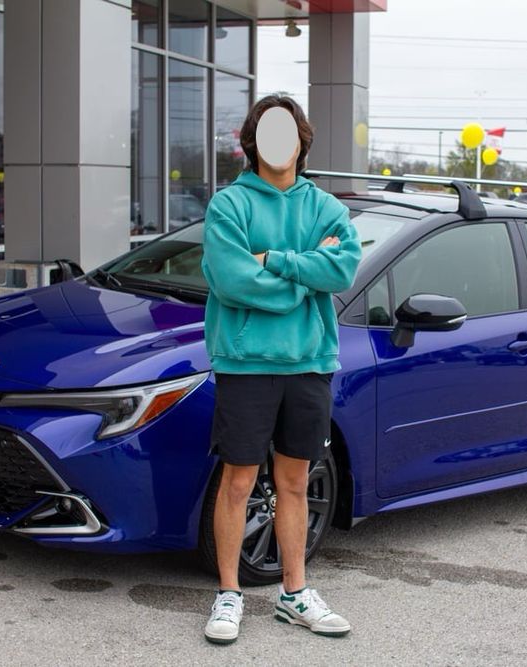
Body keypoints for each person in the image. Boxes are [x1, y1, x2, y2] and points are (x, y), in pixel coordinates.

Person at [199, 94, 361, 645]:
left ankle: (294, 594)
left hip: (310, 362)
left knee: (294, 482)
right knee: (238, 480)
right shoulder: (229, 206)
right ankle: (228, 593)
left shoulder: (325, 207)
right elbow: (231, 280)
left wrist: (277, 261)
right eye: (267, 133)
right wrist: (303, 278)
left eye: (287, 133)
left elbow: (342, 268)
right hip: (244, 363)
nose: (278, 144)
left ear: (301, 142)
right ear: (252, 143)